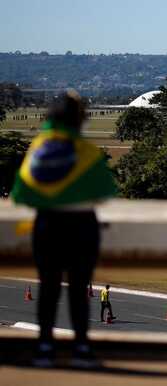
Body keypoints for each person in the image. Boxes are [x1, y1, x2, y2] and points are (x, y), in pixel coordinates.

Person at [11, 90, 117, 368]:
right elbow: (106, 191)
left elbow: (21, 194)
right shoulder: (85, 151)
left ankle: (45, 346)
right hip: (82, 227)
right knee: (78, 291)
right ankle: (81, 347)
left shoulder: (39, 147)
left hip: (46, 227)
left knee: (48, 290)